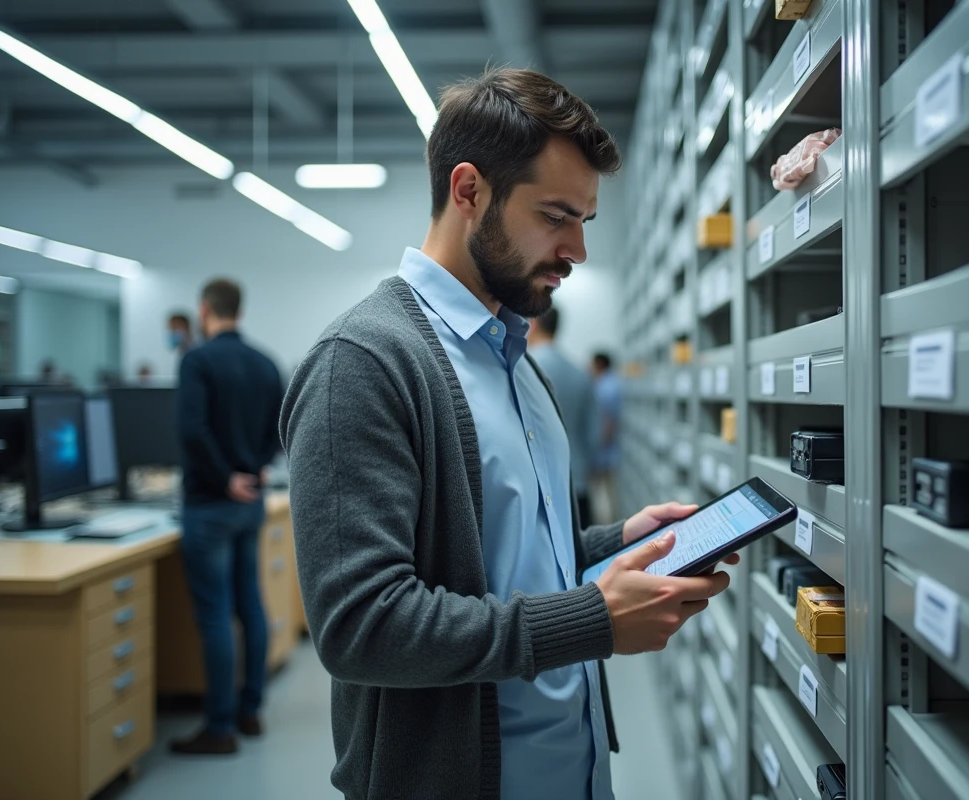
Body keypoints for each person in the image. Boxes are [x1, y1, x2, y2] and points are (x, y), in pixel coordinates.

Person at [282, 67, 736, 800]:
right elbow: (360, 624)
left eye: (585, 222)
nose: (576, 252)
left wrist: (615, 543)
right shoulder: (364, 364)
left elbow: (500, 554)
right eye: (556, 216)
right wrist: (592, 620)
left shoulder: (515, 357)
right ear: (469, 192)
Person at [171, 279, 284, 756]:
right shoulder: (265, 363)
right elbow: (281, 426)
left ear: (204, 310)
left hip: (212, 505)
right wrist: (253, 470)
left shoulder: (196, 361)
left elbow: (192, 431)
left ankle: (219, 728)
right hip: (250, 502)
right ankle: (250, 710)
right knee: (249, 605)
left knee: (216, 615)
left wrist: (223, 479)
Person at [527, 305, 599, 528]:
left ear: (534, 324)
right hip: (577, 485)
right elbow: (593, 435)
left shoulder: (522, 368)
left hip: (537, 492)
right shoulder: (580, 373)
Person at [591, 352, 621, 524]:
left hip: (605, 450)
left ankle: (608, 527)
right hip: (612, 450)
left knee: (604, 495)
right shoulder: (614, 383)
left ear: (600, 364)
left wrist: (598, 447)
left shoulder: (604, 387)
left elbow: (607, 422)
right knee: (610, 493)